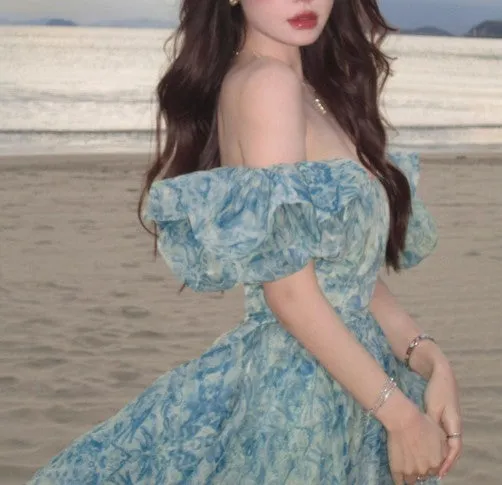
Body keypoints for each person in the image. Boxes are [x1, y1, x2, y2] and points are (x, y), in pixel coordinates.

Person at [28, 0, 463, 484]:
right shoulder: (267, 86)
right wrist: (399, 416)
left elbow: (350, 277)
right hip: (308, 397)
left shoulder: (312, 90)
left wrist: (429, 358)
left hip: (352, 383)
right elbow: (289, 293)